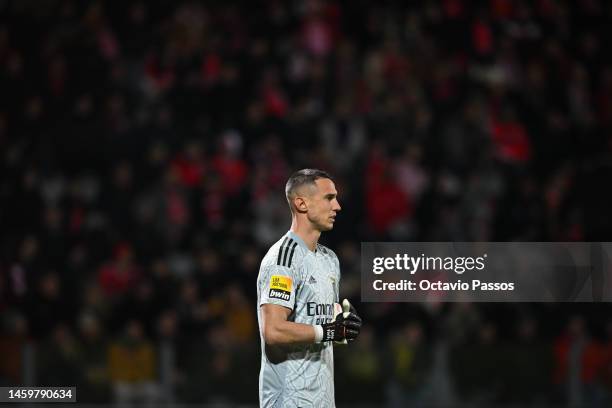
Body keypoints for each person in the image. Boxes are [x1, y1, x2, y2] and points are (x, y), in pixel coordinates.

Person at [257, 169, 363, 407]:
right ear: (301, 203)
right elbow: (273, 331)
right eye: (329, 198)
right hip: (289, 400)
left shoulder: (329, 259)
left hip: (323, 399)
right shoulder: (283, 259)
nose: (337, 206)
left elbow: (322, 326)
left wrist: (343, 327)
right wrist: (327, 331)